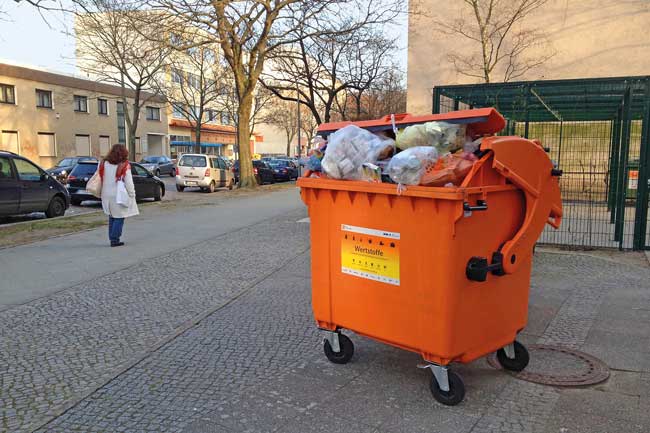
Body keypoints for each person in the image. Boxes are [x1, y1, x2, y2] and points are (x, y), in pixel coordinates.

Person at [100, 144, 139, 247]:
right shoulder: (124, 165)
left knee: (112, 216)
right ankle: (115, 239)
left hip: (105, 193)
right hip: (118, 194)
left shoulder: (104, 163)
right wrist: (132, 194)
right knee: (119, 217)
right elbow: (129, 182)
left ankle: (112, 238)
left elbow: (100, 176)